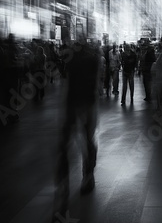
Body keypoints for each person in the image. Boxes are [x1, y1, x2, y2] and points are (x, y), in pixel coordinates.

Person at [53, 34, 101, 219]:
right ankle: (87, 176)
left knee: (67, 143)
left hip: (75, 104)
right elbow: (95, 81)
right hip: (84, 103)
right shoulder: (92, 58)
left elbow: (66, 79)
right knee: (86, 140)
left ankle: (68, 182)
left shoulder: (72, 58)